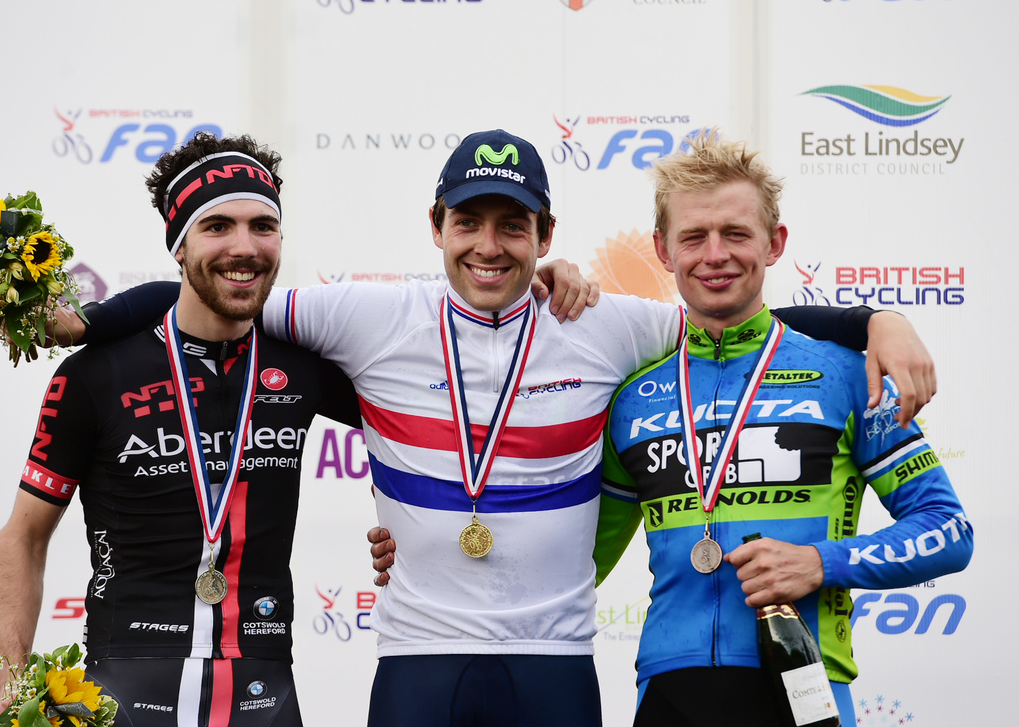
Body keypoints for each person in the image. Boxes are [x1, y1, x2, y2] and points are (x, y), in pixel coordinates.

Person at [81, 129, 935, 727]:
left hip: (555, 663)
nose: (489, 246)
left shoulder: (611, 325)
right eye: (470, 222)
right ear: (436, 227)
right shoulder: (364, 313)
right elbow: (222, 293)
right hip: (417, 659)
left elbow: (737, 320)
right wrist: (88, 326)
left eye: (514, 226)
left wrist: (872, 320)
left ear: (546, 235)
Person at [592, 132, 973, 725]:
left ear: (775, 244)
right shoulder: (632, 398)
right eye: (693, 237)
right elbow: (576, 561)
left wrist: (820, 563)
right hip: (669, 690)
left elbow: (949, 530)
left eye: (736, 234)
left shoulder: (847, 375)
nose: (714, 254)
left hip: (805, 682)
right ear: (663, 252)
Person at [0, 134, 366, 726]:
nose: (245, 246)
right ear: (179, 245)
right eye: (218, 226)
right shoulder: (97, 373)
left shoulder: (303, 363)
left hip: (262, 685)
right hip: (124, 682)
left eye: (263, 226)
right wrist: (10, 685)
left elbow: (427, 424)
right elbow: (23, 539)